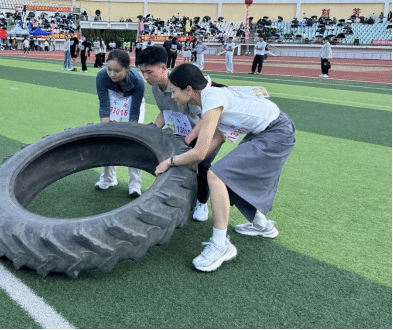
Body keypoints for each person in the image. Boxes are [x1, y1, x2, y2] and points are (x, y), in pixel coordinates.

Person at [155, 63, 296, 272]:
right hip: (266, 131)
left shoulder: (211, 99)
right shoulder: (210, 98)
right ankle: (262, 225)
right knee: (228, 176)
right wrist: (191, 161)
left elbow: (200, 152)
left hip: (277, 133)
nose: (172, 96)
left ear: (189, 90)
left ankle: (221, 245)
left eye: (174, 91)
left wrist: (171, 161)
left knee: (217, 176)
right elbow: (218, 137)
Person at [137, 46, 224, 221]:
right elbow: (164, 111)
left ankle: (201, 202)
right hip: (181, 133)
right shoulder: (156, 88)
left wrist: (186, 142)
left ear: (163, 68)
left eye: (149, 72)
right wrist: (152, 131)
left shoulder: (183, 85)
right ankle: (178, 198)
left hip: (203, 132)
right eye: (142, 72)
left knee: (201, 166)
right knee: (172, 164)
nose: (145, 77)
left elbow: (203, 119)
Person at [96, 49, 145, 197]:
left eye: (117, 71)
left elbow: (134, 112)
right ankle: (108, 178)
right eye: (109, 69)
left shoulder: (138, 81)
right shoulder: (101, 77)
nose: (112, 74)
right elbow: (104, 105)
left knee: (134, 141)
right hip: (114, 100)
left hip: (133, 104)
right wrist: (106, 129)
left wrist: (130, 132)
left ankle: (135, 185)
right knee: (108, 140)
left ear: (127, 68)